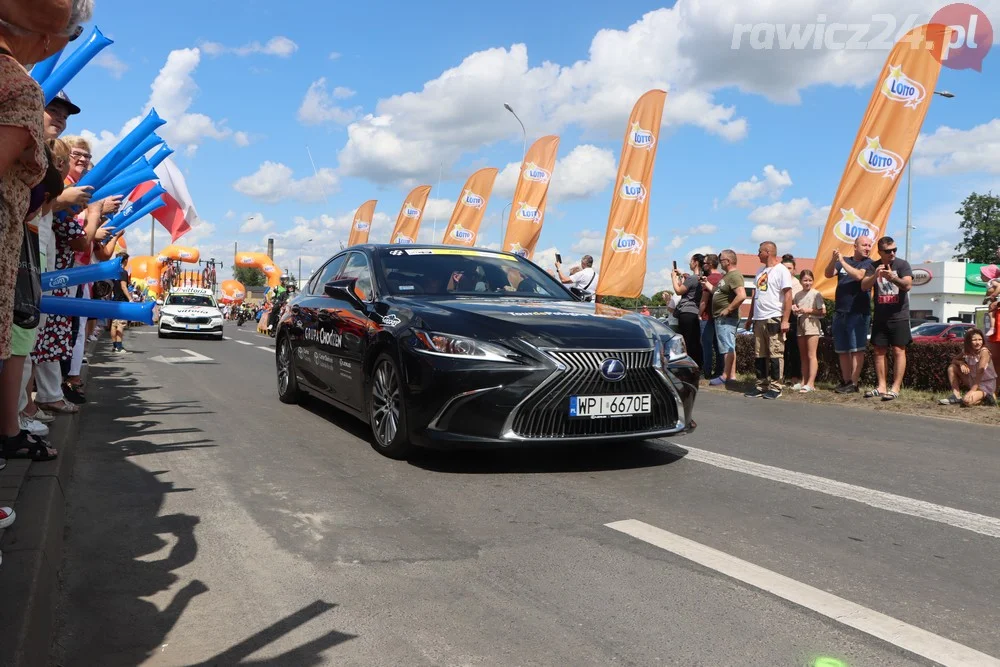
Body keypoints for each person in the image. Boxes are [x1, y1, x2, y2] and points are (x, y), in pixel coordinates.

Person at [861, 236, 913, 401]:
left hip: (899, 316)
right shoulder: (873, 266)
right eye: (888, 251)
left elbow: (907, 285)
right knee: (879, 351)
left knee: (899, 350)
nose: (892, 253)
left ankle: (895, 387)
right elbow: (864, 286)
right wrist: (875, 275)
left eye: (894, 250)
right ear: (880, 252)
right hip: (881, 316)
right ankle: (881, 386)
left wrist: (892, 277)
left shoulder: (902, 265)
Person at [823, 235, 875, 394]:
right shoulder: (844, 260)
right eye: (864, 245)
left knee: (856, 349)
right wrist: (834, 259)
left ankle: (854, 382)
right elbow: (828, 273)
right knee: (843, 349)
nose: (867, 248)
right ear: (855, 246)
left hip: (858, 312)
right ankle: (845, 381)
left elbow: (859, 276)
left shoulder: (869, 263)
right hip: (840, 311)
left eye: (869, 245)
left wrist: (843, 262)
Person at [744, 242, 793, 399]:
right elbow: (755, 296)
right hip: (759, 318)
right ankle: (761, 385)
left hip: (773, 317)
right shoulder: (760, 271)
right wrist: (750, 317)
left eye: (759, 251)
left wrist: (785, 320)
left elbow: (788, 295)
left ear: (768, 252)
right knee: (760, 354)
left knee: (775, 353)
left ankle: (776, 386)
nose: (757, 254)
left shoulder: (781, 271)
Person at [707, 249, 746, 386]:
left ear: (728, 261)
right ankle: (731, 376)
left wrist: (728, 309)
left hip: (727, 318)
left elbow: (741, 295)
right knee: (728, 347)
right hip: (722, 318)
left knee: (727, 348)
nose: (719, 262)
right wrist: (705, 283)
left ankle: (725, 376)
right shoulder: (726, 276)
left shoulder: (734, 275)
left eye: (721, 259)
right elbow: (717, 292)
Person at [938, 328, 997, 407]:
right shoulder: (967, 351)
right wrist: (961, 363)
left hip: (985, 384)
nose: (978, 342)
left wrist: (972, 390)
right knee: (952, 367)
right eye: (974, 340)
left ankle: (987, 395)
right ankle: (956, 396)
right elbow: (954, 360)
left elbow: (980, 372)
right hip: (972, 380)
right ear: (969, 341)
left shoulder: (984, 352)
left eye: (980, 339)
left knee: (966, 401)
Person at [670, 254, 706, 373]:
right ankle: (698, 366)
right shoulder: (700, 278)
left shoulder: (692, 278)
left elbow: (679, 290)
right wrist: (681, 275)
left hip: (686, 312)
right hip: (694, 312)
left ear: (695, 262)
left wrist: (673, 278)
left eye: (691, 261)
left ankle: (689, 368)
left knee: (687, 342)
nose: (689, 263)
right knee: (694, 340)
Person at [792, 270, 825, 393]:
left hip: (812, 323)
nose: (807, 283)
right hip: (801, 324)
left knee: (812, 355)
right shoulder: (797, 295)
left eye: (810, 280)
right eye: (805, 280)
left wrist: (808, 310)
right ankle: (803, 382)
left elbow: (823, 311)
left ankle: (811, 383)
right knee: (803, 355)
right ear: (800, 281)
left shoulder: (816, 294)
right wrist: (795, 310)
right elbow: (796, 310)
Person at [698, 253, 723, 380]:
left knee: (706, 345)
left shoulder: (710, 279)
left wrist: (699, 314)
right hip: (718, 317)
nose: (704, 265)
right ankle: (719, 371)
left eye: (705, 263)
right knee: (718, 346)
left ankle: (706, 371)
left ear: (711, 264)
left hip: (708, 317)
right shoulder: (722, 277)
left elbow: (704, 301)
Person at [781, 254, 803, 386]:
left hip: (793, 319)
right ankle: (781, 376)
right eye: (784, 268)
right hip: (779, 316)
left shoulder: (798, 284)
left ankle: (795, 377)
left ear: (794, 270)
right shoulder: (778, 282)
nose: (787, 271)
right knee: (780, 350)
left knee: (794, 349)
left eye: (790, 268)